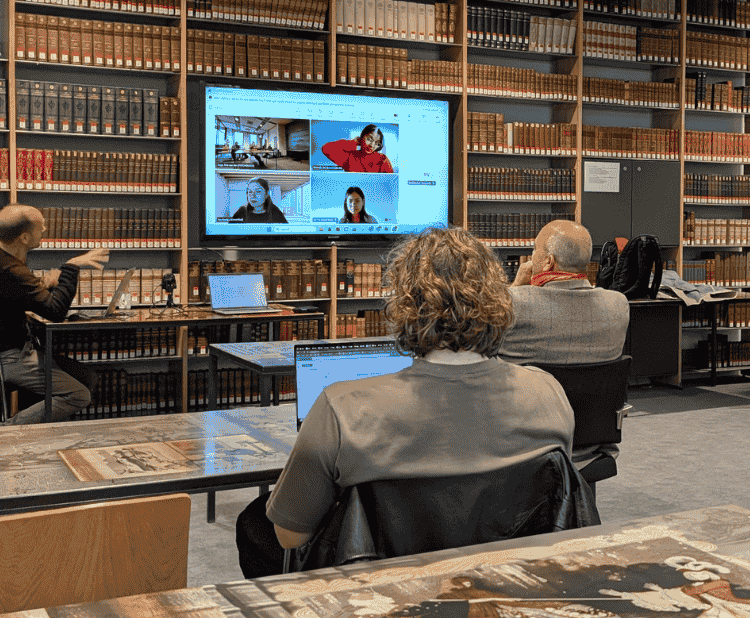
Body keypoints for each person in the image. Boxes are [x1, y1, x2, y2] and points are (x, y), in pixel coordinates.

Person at [236, 227, 575, 576]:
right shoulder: (548, 393)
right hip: (507, 582)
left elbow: (290, 535)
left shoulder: (341, 409)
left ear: (403, 305)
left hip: (384, 593)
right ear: (501, 300)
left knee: (254, 524)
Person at [0, 204, 109, 424]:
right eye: (41, 226)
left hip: (8, 349)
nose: (45, 229)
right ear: (24, 237)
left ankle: (42, 433)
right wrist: (72, 266)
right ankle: (8, 430)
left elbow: (11, 293)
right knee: (78, 395)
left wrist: (42, 286)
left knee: (86, 377)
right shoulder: (10, 269)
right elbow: (55, 311)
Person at [501, 220, 630, 472]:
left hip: (524, 447)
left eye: (535, 250)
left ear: (548, 261)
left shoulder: (511, 303)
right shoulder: (618, 305)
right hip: (591, 445)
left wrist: (516, 287)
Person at [321, 124, 394, 173]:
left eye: (376, 143)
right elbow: (326, 148)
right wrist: (353, 143)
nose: (372, 145)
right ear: (361, 137)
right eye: (369, 139)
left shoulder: (382, 159)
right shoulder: (350, 156)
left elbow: (391, 183)